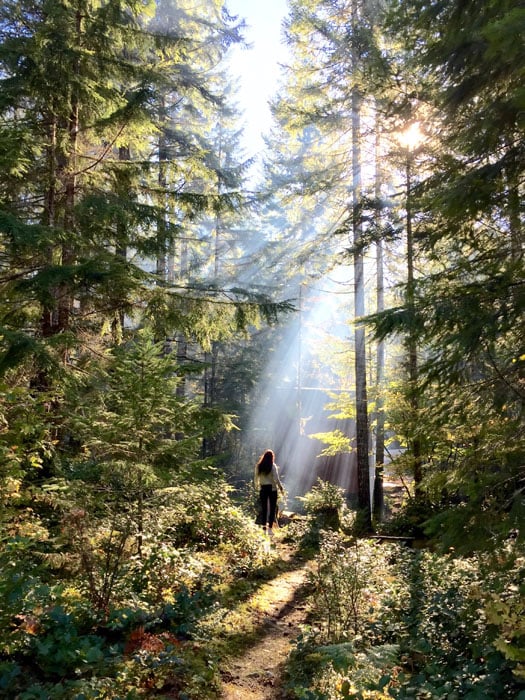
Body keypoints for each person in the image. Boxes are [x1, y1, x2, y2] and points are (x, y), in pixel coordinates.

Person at [254, 449, 284, 536]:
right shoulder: (272, 466)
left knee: (264, 508)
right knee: (272, 509)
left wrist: (257, 487)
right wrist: (281, 488)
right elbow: (276, 478)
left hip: (263, 488)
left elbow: (256, 478)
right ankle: (270, 529)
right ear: (272, 457)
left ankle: (264, 528)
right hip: (272, 489)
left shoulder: (259, 466)